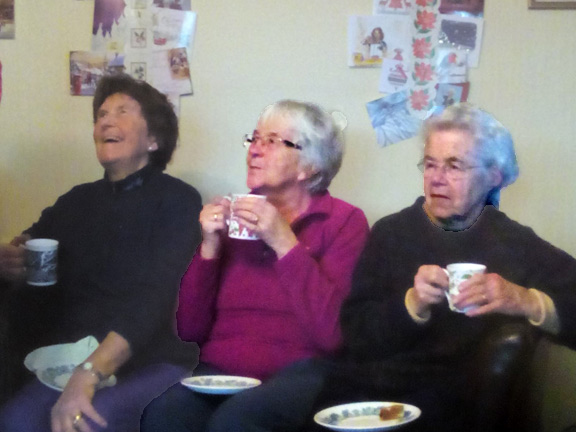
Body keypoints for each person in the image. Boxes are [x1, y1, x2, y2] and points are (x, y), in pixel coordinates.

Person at [303, 103, 576, 431]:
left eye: (454, 166)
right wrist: (412, 305)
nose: (436, 178)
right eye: (430, 164)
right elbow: (355, 335)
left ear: (494, 175)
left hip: (449, 410)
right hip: (364, 400)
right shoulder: (391, 233)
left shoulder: (513, 243)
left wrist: (526, 300)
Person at [140, 99, 369, 431]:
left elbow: (332, 335)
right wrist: (209, 246)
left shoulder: (344, 222)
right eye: (255, 138)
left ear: (310, 166)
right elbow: (189, 330)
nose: (255, 150)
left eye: (273, 141)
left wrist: (283, 242)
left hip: (305, 373)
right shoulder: (233, 219)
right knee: (162, 416)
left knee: (235, 422)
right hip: (222, 373)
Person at [0, 73, 202, 431]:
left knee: (84, 424)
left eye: (123, 111)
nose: (106, 121)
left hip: (147, 359)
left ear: (154, 139)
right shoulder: (75, 202)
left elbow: (152, 299)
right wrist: (13, 266)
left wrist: (90, 373)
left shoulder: (178, 201)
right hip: (67, 358)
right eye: (101, 114)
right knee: (15, 421)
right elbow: (31, 251)